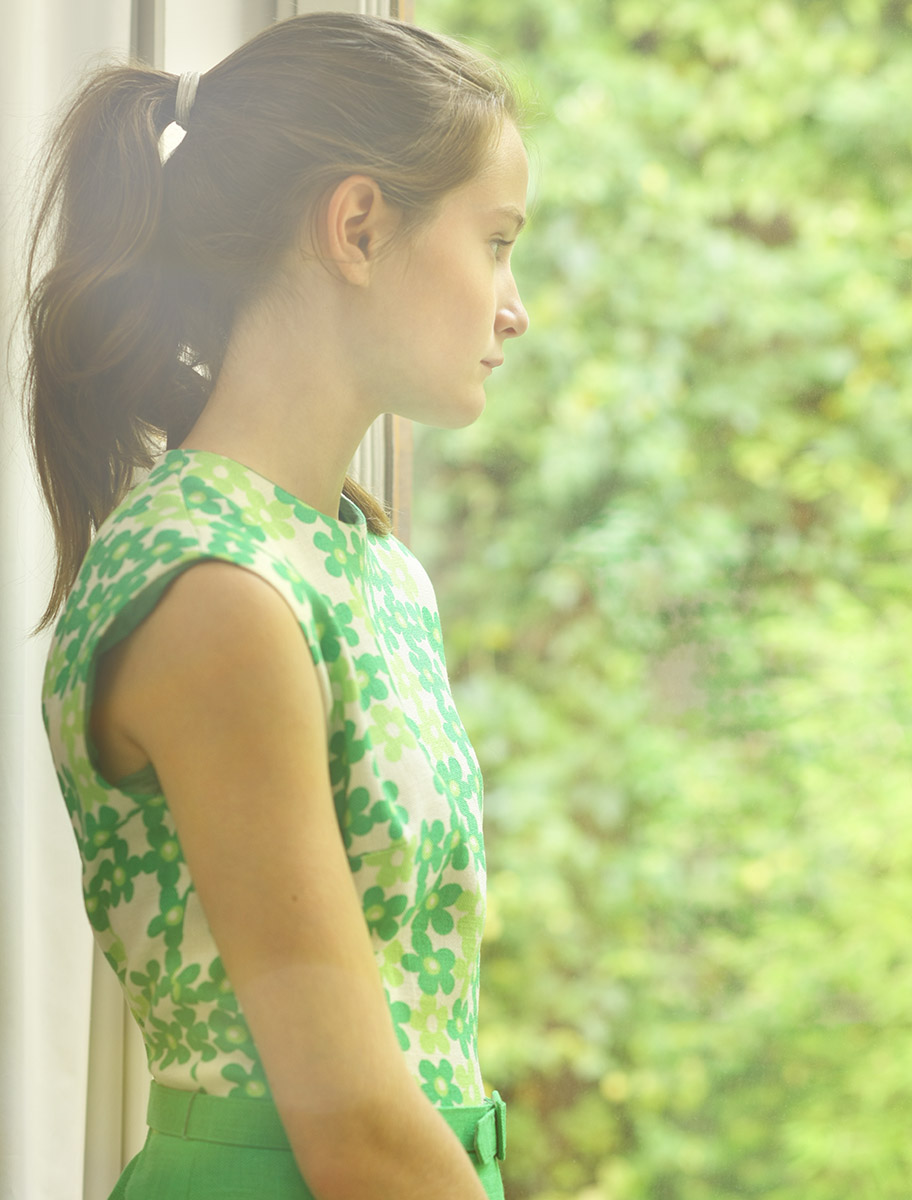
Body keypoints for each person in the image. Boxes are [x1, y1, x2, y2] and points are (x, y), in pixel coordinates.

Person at [26, 12, 528, 1199]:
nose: (516, 308)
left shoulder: (370, 566)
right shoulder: (219, 596)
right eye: (498, 241)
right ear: (357, 225)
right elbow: (353, 1133)